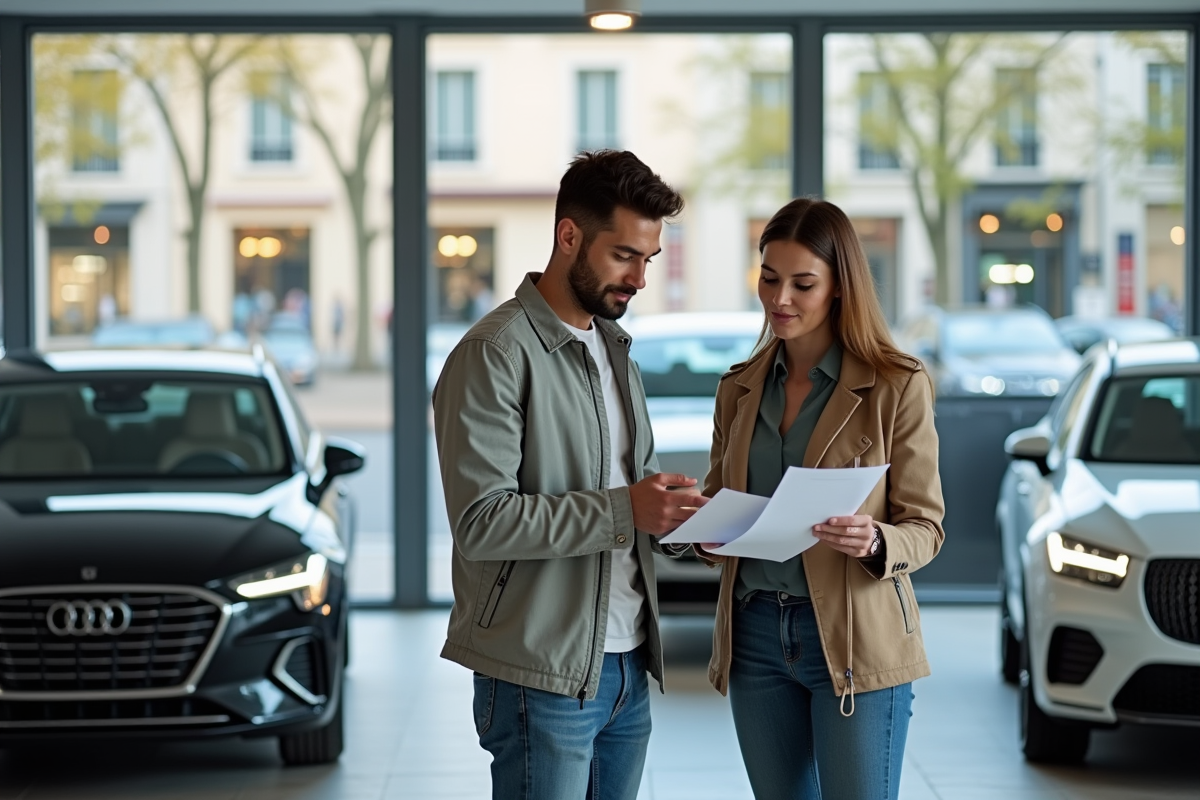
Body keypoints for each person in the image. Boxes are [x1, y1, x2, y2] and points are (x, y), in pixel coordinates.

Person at [432, 150, 707, 800]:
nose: (639, 278)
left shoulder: (616, 351)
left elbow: (634, 496)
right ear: (568, 237)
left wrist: (691, 529)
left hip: (627, 666)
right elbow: (482, 523)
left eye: (649, 259)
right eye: (624, 256)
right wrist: (627, 510)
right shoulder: (493, 354)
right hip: (539, 675)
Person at [698, 198, 945, 800]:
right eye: (769, 278)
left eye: (802, 283)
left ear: (839, 287)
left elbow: (927, 525)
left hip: (858, 631)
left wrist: (876, 538)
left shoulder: (897, 384)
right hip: (755, 634)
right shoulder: (738, 388)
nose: (780, 298)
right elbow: (719, 501)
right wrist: (701, 526)